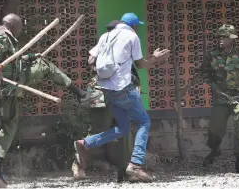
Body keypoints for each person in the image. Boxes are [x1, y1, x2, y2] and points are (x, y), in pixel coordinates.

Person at [0, 13, 101, 185]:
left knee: (8, 127)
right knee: (45, 66)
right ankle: (80, 94)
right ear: (13, 25)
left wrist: (29, 57)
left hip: (10, 88)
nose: (21, 30)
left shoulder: (5, 36)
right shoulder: (0, 36)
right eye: (20, 27)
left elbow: (12, 60)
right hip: (8, 86)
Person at [72, 13, 170, 182]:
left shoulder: (105, 36)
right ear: (134, 26)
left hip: (106, 89)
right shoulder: (132, 36)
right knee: (143, 122)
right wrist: (155, 58)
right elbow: (141, 65)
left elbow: (90, 60)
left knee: (123, 128)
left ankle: (85, 143)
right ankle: (135, 165)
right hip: (123, 88)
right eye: (137, 26)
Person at [201, 24, 239, 173]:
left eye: (224, 37)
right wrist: (213, 85)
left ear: (232, 39)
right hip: (221, 98)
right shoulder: (212, 54)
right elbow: (205, 73)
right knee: (215, 130)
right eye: (219, 36)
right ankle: (215, 149)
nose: (221, 39)